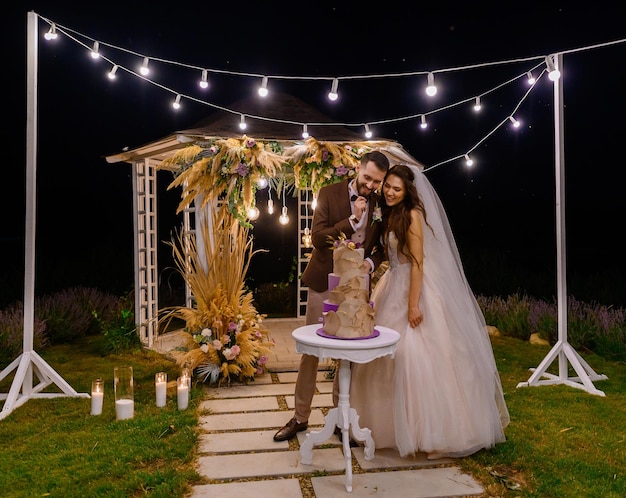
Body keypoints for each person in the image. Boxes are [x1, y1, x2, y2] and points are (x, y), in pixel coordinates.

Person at [349, 164, 510, 458]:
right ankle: (385, 425)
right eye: (388, 187)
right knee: (384, 356)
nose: (390, 192)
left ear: (407, 191)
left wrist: (414, 304)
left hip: (413, 286)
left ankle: (428, 430)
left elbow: (418, 264)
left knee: (413, 355)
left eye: (397, 189)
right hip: (392, 284)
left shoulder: (412, 215)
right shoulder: (388, 214)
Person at [273, 150, 390, 442]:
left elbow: (382, 246)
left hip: (357, 287)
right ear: (357, 169)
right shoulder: (328, 193)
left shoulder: (381, 203)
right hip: (324, 281)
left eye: (376, 181)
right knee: (312, 351)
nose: (371, 186)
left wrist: (371, 263)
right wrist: (352, 220)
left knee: (347, 354)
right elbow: (317, 239)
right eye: (367, 178)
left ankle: (340, 416)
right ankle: (300, 417)